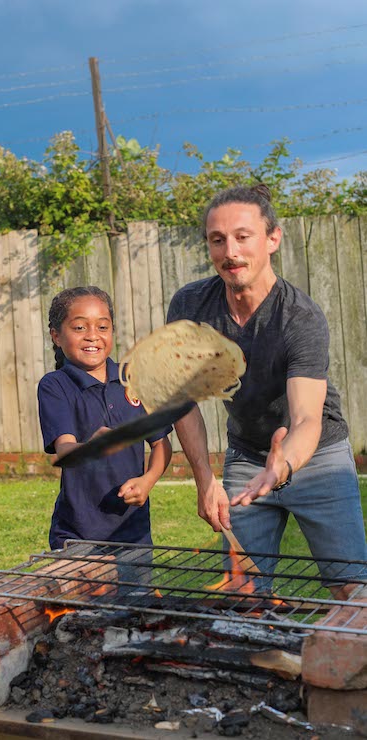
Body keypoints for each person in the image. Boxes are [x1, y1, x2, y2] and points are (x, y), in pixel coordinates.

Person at [167, 184, 367, 598]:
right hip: (246, 457)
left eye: (243, 237)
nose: (230, 252)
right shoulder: (190, 306)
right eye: (217, 240)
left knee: (353, 593)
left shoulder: (300, 317)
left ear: (272, 238)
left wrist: (281, 468)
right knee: (243, 595)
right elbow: (181, 399)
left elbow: (307, 418)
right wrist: (205, 479)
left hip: (319, 458)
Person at [37, 286, 172, 585]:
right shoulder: (55, 386)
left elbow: (161, 444)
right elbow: (64, 448)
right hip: (78, 535)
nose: (92, 336)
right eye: (79, 327)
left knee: (135, 606)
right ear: (56, 336)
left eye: (102, 327)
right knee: (81, 608)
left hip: (134, 534)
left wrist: (148, 480)